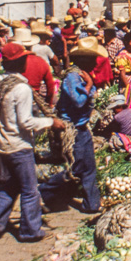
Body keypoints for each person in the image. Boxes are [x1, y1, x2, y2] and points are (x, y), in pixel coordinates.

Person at [0, 43, 64, 241]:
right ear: (21, 61)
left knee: (12, 184)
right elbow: (26, 122)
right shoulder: (21, 88)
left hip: (0, 142)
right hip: (18, 145)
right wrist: (51, 122)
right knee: (30, 190)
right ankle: (30, 231)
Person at [40, 38, 103, 215]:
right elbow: (78, 101)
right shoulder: (72, 77)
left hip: (82, 128)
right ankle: (44, 191)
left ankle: (92, 204)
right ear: (84, 60)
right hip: (72, 130)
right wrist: (90, 86)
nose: (96, 62)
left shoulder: (81, 74)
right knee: (74, 169)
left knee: (89, 166)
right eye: (93, 59)